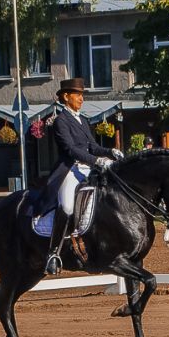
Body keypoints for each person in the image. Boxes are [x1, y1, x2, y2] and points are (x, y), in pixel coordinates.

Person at [38, 77, 123, 274]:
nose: (81, 98)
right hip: (70, 169)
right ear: (66, 97)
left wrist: (110, 152)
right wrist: (96, 160)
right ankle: (53, 253)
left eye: (82, 95)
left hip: (88, 168)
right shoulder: (60, 121)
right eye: (78, 95)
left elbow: (93, 146)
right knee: (67, 206)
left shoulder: (83, 120)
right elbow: (69, 150)